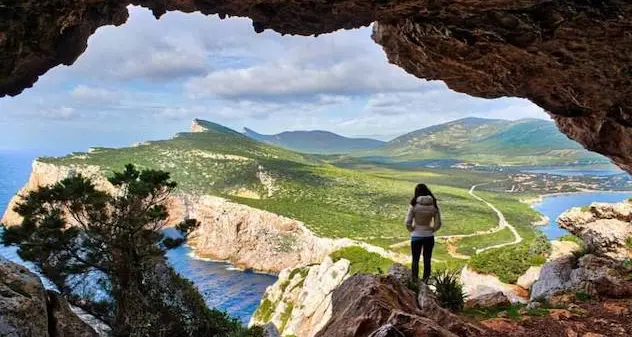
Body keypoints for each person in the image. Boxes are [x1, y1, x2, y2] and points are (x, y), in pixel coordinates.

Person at [405, 183, 442, 283]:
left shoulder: (413, 205)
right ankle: (425, 281)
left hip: (416, 235)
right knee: (427, 259)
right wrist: (432, 229)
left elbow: (407, 222)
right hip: (429, 236)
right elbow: (438, 223)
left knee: (415, 260)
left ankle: (414, 281)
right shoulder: (434, 205)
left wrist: (412, 229)